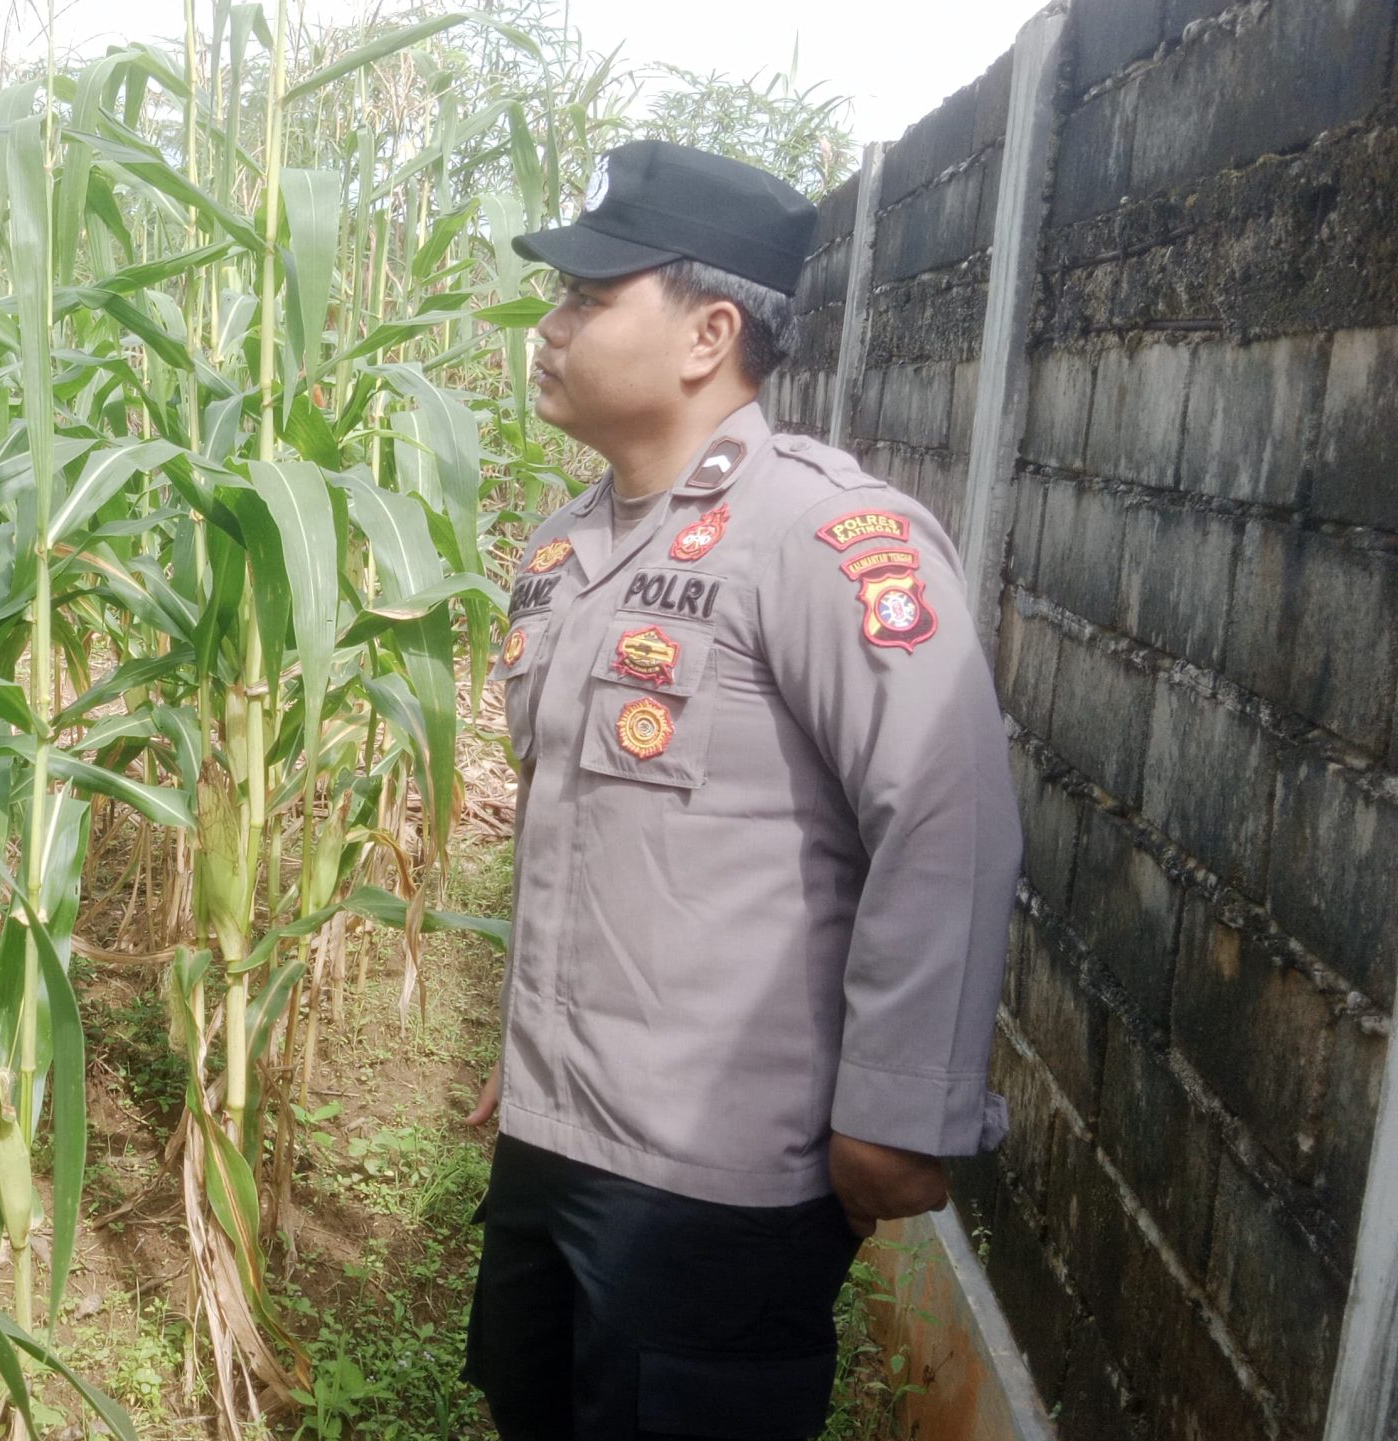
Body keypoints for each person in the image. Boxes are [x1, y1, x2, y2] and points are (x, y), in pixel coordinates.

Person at [460, 138, 1020, 1440]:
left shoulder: (819, 540)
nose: (550, 328)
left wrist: (896, 1106)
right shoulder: (562, 550)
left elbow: (950, 813)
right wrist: (524, 1043)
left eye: (589, 300)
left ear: (710, 332)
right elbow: (581, 826)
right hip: (554, 1136)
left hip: (715, 1178)